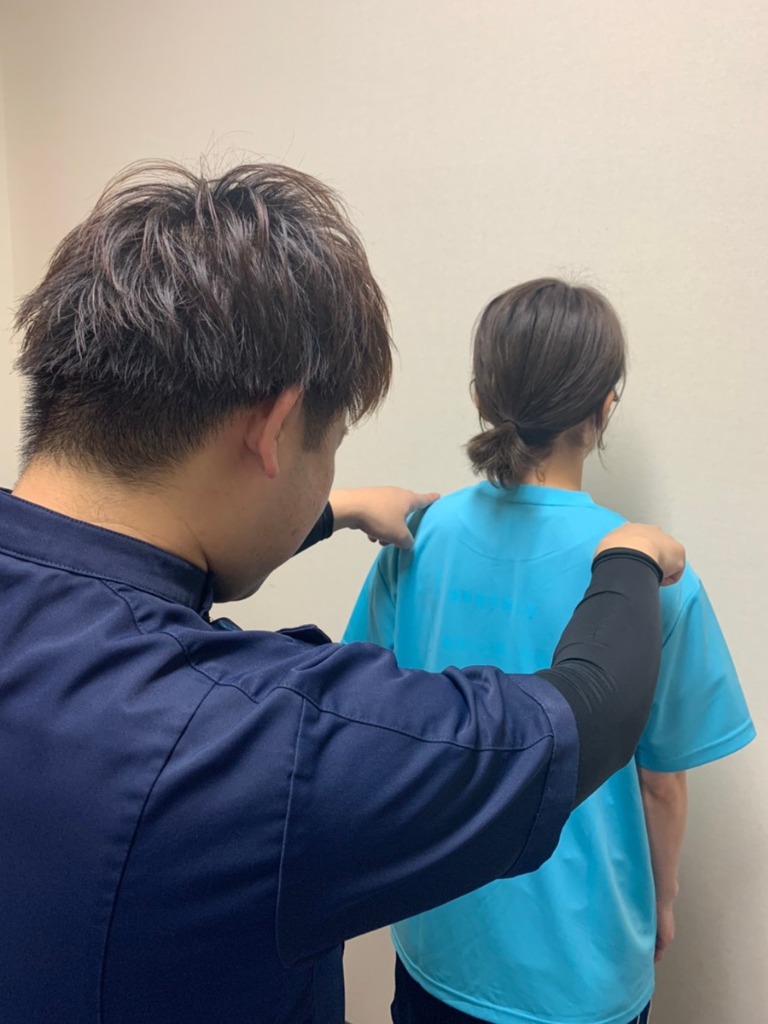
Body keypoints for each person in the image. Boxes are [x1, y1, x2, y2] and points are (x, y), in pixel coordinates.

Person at [1, 166, 684, 1024]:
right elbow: (588, 718)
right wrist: (628, 560)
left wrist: (336, 510)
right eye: (331, 444)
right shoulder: (263, 749)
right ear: (274, 427)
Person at [344, 278, 755, 1024]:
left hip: (439, 939)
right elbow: (661, 786)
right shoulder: (649, 571)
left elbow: (369, 708)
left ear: (481, 398)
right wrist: (664, 900)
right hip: (580, 971)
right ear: (604, 409)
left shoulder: (415, 537)